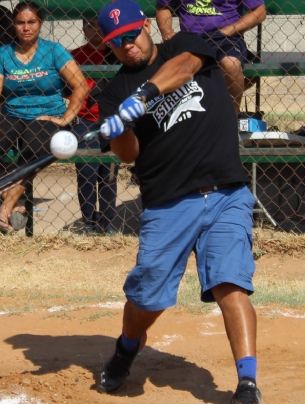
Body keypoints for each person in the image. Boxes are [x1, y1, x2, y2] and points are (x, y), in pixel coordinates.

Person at [95, 0, 261, 402]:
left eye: (132, 35)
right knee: (147, 295)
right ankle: (126, 349)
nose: (128, 47)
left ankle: (247, 383)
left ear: (147, 27)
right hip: (169, 202)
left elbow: (187, 66)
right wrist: (119, 126)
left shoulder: (184, 44)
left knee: (230, 281)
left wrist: (146, 94)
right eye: (117, 43)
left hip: (225, 190)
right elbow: (129, 154)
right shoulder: (114, 91)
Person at [0, 1, 88, 232]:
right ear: (14, 25)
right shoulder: (3, 53)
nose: (26, 27)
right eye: (20, 23)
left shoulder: (54, 51)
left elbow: (81, 86)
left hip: (47, 115)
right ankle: (15, 199)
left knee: (35, 146)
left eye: (31, 22)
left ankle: (6, 208)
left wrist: (66, 118)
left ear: (40, 24)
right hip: (13, 114)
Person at [155, 0, 266, 112]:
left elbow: (259, 11)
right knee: (169, 66)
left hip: (226, 37)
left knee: (231, 65)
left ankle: (232, 117)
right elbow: (163, 7)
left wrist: (229, 30)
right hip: (190, 37)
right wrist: (167, 33)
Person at [71, 17, 120, 234]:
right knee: (86, 170)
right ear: (83, 28)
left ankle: (106, 222)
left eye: (98, 26)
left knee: (108, 172)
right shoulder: (74, 56)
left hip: (111, 119)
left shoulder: (116, 51)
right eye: (89, 25)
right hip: (85, 119)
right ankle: (89, 221)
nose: (94, 30)